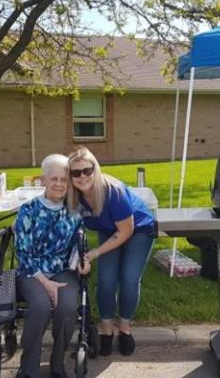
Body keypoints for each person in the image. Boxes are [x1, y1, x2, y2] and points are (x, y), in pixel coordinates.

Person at [67, 146, 157, 357]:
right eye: (76, 172)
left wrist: (95, 253)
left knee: (129, 278)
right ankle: (107, 329)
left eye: (87, 170)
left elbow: (126, 231)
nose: (83, 176)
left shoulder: (112, 191)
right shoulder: (73, 196)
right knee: (106, 280)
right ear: (70, 176)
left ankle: (124, 329)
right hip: (109, 230)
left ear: (95, 169)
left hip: (138, 230)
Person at [14, 154, 90, 378]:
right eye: (53, 179)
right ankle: (29, 369)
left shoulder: (74, 211)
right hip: (31, 271)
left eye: (63, 180)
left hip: (63, 272)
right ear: (43, 180)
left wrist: (82, 261)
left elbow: (78, 245)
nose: (59, 184)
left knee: (67, 310)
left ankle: (57, 365)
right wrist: (46, 283)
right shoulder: (28, 211)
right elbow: (23, 253)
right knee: (40, 307)